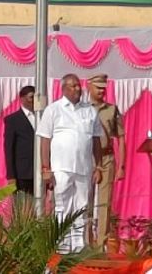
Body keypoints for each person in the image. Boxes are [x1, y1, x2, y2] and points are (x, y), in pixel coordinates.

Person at [38, 74, 103, 252]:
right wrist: (45, 168)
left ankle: (78, 246)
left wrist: (98, 166)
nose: (78, 89)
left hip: (84, 167)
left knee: (82, 207)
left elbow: (96, 140)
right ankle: (62, 245)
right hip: (61, 168)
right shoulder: (53, 110)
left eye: (79, 85)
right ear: (64, 89)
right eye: (73, 86)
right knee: (62, 206)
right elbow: (45, 140)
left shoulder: (90, 110)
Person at [88, 74, 125, 249]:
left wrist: (122, 166)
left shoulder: (112, 110)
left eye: (104, 87)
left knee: (105, 203)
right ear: (89, 87)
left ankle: (100, 243)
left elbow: (121, 138)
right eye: (98, 87)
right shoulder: (82, 109)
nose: (102, 90)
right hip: (88, 159)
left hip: (107, 158)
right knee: (85, 200)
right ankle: (86, 241)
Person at [4, 85, 36, 195]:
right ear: (22, 99)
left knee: (39, 207)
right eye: (31, 97)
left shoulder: (43, 117)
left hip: (39, 172)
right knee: (23, 208)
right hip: (22, 173)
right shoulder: (13, 120)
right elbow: (9, 148)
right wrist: (11, 176)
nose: (34, 100)